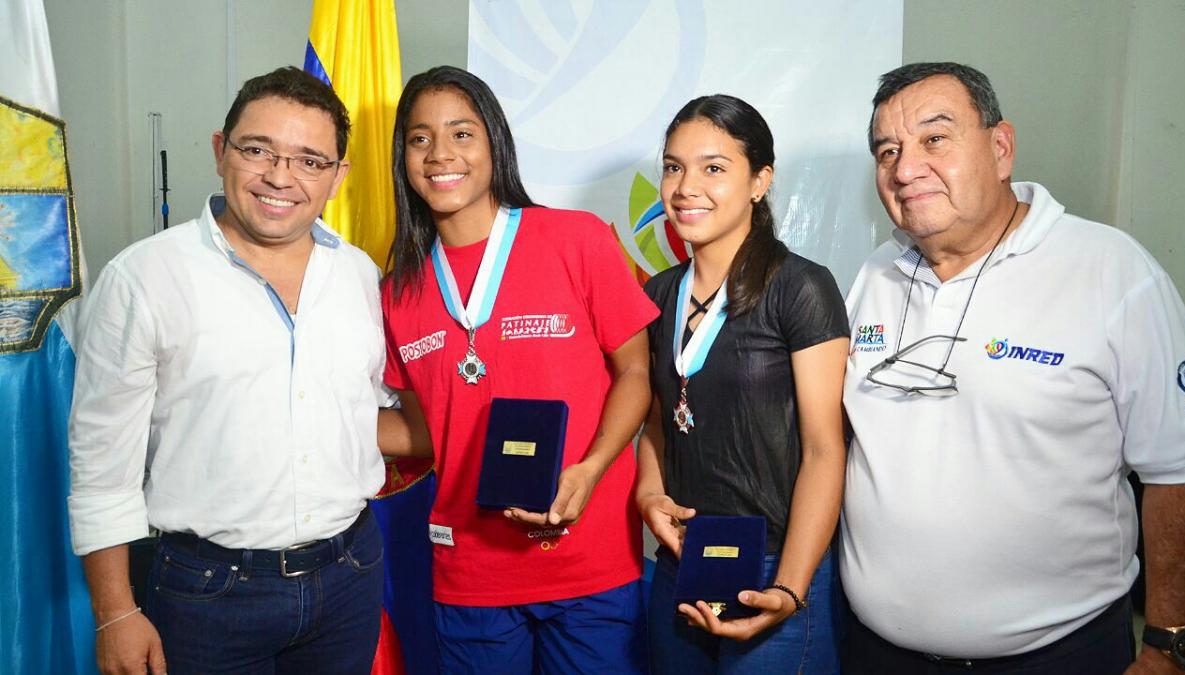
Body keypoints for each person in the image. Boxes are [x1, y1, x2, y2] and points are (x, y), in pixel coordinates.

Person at [842, 61, 1185, 674]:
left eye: (934, 138)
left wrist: (1171, 644)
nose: (904, 169)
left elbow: (1181, 471)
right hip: (876, 653)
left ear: (1000, 148)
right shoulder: (874, 273)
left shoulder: (1112, 272)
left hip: (1060, 657)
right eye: (887, 151)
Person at [68, 66, 388, 674]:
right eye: (257, 150)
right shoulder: (143, 278)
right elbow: (100, 465)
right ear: (221, 151)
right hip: (208, 593)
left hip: (349, 575)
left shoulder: (360, 276)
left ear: (338, 177)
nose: (280, 177)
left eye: (309, 161)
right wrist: (114, 613)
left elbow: (365, 412)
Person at [376, 65, 659, 674]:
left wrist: (590, 469)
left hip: (590, 565)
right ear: (402, 157)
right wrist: (302, 418)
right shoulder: (398, 291)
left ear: (494, 144)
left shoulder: (574, 239)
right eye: (419, 138)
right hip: (470, 574)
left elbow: (636, 374)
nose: (439, 154)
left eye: (461, 133)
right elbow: (428, 433)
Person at [636, 94, 850, 673]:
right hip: (682, 566)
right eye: (674, 167)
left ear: (760, 181)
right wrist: (649, 493)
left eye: (713, 168)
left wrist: (790, 587)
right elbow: (658, 423)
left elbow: (826, 450)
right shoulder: (656, 295)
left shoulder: (800, 288)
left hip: (774, 567)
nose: (685, 187)